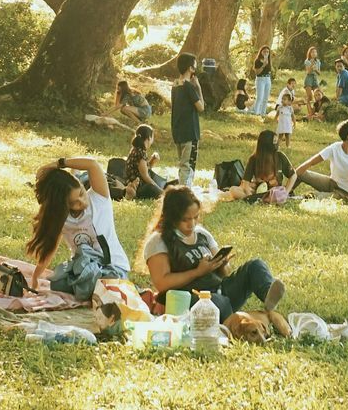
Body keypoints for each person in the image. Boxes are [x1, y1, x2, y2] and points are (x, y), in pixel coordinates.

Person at [141, 186, 286, 320]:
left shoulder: (201, 234)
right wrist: (197, 272)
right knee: (216, 302)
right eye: (185, 219)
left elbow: (226, 273)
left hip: (221, 290)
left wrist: (221, 264)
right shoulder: (159, 241)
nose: (192, 224)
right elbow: (162, 283)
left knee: (255, 266)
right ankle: (234, 319)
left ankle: (268, 295)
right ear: (172, 217)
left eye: (195, 217)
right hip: (190, 299)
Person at [25, 157, 129, 298]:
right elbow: (50, 248)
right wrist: (35, 277)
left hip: (113, 268)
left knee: (97, 282)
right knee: (58, 282)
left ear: (81, 184)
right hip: (83, 270)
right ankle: (88, 288)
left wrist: (59, 163)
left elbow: (92, 165)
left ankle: (94, 289)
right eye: (74, 203)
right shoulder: (62, 218)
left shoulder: (99, 197)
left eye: (81, 193)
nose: (82, 201)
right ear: (64, 205)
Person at [290, 119, 348, 200]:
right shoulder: (335, 148)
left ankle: (294, 198)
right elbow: (311, 162)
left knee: (316, 196)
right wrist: (287, 187)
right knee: (301, 173)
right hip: (331, 183)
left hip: (346, 192)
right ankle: (286, 192)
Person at [229, 130, 296, 203]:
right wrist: (250, 196)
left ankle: (262, 200)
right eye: (274, 141)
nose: (277, 143)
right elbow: (245, 182)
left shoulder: (280, 156)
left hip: (274, 192)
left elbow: (293, 175)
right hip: (257, 191)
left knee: (276, 195)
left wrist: (286, 192)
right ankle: (258, 200)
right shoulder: (253, 159)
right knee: (233, 190)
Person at [171, 53, 204, 186]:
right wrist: (198, 87)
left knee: (182, 164)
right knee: (188, 166)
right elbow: (201, 107)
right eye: (195, 65)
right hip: (190, 132)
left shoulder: (175, 85)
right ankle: (184, 191)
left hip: (178, 130)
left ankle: (181, 188)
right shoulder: (188, 86)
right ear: (190, 68)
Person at [123, 124, 166, 200]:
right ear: (149, 138)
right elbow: (145, 176)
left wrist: (152, 161)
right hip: (138, 187)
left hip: (136, 184)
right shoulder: (140, 152)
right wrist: (160, 191)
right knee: (153, 187)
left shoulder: (136, 149)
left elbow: (143, 170)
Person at [250, 46, 274, 116]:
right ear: (261, 52)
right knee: (260, 97)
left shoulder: (269, 61)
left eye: (267, 52)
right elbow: (257, 73)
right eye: (264, 51)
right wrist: (263, 65)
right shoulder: (257, 61)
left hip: (267, 79)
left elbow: (270, 71)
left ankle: (263, 113)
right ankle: (256, 113)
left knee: (266, 98)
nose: (266, 53)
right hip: (260, 79)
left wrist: (267, 63)